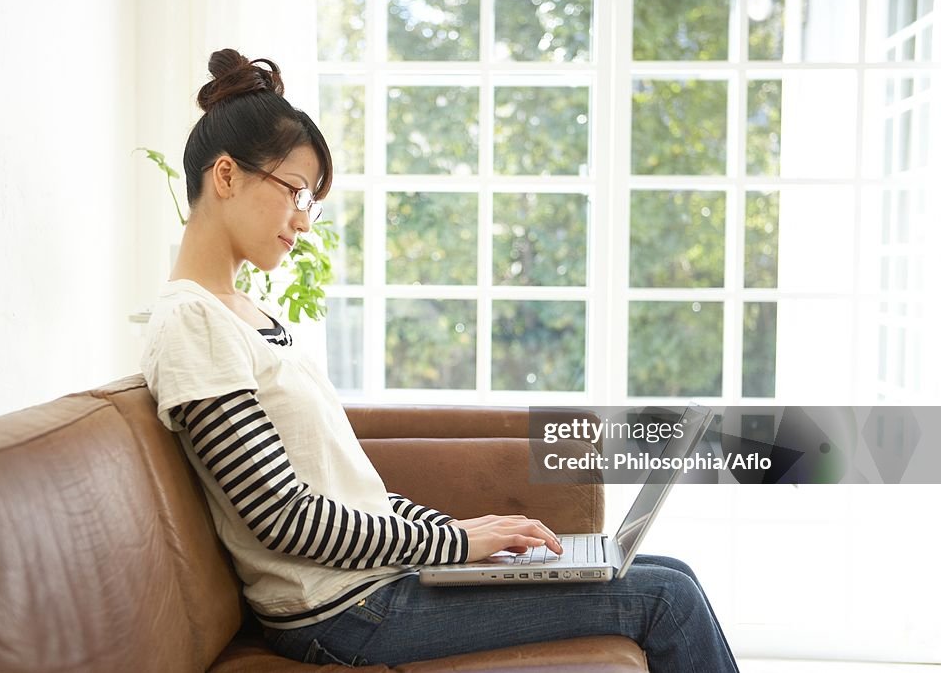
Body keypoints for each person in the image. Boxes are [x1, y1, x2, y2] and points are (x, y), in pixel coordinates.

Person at [140, 48, 739, 672]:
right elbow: (284, 518)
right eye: (294, 191)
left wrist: (464, 531)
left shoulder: (252, 316)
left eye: (310, 202)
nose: (304, 222)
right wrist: (454, 541)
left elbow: (351, 491)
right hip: (343, 614)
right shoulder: (192, 321)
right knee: (668, 599)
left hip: (372, 584)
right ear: (228, 176)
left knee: (670, 572)